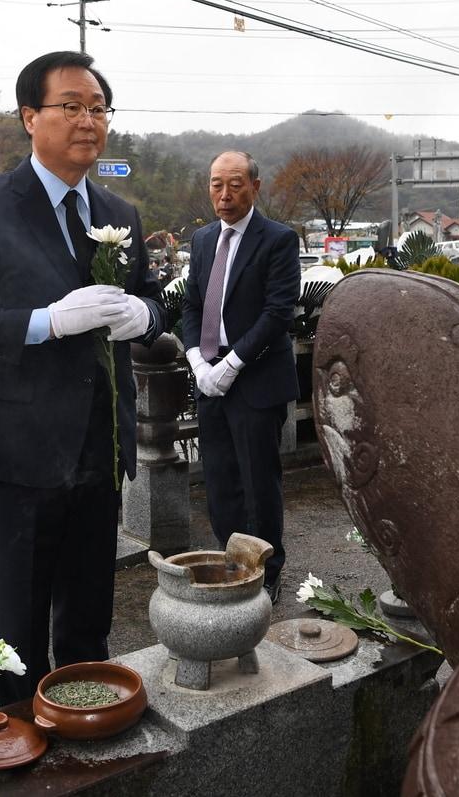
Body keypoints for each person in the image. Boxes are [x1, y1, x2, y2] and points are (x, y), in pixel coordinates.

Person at [0, 50, 164, 703]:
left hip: (99, 446)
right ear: (31, 116)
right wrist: (46, 321)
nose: (88, 120)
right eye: (72, 106)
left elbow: (155, 297)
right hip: (21, 451)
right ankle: (22, 738)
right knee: (21, 630)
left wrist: (144, 314)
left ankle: (89, 728)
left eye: (98, 108)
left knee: (89, 618)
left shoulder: (119, 210)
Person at [181, 150, 300, 602]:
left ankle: (268, 569)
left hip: (256, 375)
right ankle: (231, 559)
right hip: (210, 374)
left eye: (234, 184)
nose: (224, 194)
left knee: (258, 481)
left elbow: (277, 313)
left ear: (255, 186)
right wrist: (198, 361)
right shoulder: (202, 239)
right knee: (220, 478)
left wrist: (233, 364)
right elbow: (192, 305)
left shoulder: (277, 239)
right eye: (216, 184)